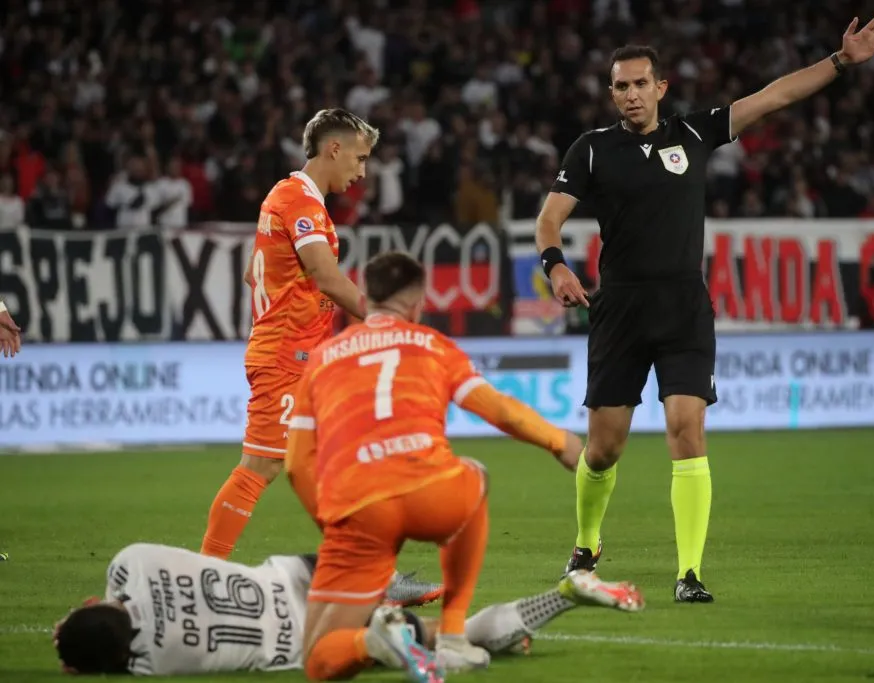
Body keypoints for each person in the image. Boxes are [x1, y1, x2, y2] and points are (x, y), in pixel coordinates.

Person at [535, 12, 874, 602]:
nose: (630, 94)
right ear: (612, 93)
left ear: (661, 87)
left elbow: (774, 96)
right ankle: (588, 541)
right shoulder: (593, 150)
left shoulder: (694, 135)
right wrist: (555, 264)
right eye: (620, 86)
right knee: (604, 446)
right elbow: (550, 217)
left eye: (639, 83)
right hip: (619, 308)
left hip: (683, 307)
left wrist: (838, 62)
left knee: (687, 428)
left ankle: (689, 573)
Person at [284, 251, 603, 682]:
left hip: (358, 507)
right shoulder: (434, 346)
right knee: (475, 474)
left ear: (365, 298)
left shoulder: (323, 359)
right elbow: (498, 410)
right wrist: (557, 440)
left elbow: (296, 464)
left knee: (319, 660)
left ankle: (374, 641)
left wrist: (332, 521)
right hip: (432, 491)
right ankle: (452, 634)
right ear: (417, 305)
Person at [200, 109, 374, 560]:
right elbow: (327, 276)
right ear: (333, 149)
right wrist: (383, 317)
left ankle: (366, 566)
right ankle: (199, 579)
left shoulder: (288, 195)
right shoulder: (301, 202)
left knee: (334, 458)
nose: (362, 170)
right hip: (284, 358)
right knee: (259, 466)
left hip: (302, 357)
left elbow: (251, 275)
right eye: (358, 158)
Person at [52, 543, 641, 676]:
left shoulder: (150, 664)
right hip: (298, 575)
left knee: (444, 636)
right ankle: (386, 589)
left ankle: (559, 600)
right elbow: (112, 600)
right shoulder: (131, 563)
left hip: (297, 639)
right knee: (345, 566)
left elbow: (109, 650)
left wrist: (80, 654)